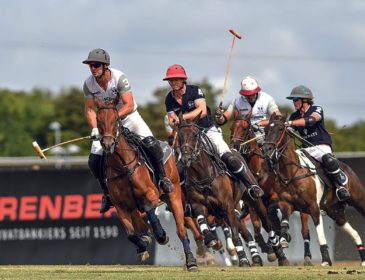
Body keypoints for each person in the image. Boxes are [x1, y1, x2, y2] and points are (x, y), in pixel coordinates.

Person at [82, 48, 173, 213]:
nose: (92, 68)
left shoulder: (119, 78)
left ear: (105, 66)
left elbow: (129, 104)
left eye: (95, 65)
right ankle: (107, 194)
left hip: (128, 117)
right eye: (90, 66)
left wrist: (115, 117)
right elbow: (89, 109)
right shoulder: (89, 84)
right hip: (107, 125)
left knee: (151, 144)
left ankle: (162, 179)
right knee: (94, 160)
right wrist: (96, 127)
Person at [163, 64, 263, 200]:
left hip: (207, 130)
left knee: (227, 155)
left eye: (177, 79)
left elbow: (202, 111)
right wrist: (174, 120)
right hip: (187, 136)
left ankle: (252, 185)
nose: (174, 82)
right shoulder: (169, 98)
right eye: (171, 80)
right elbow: (170, 119)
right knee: (179, 164)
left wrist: (182, 117)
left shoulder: (194, 91)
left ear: (183, 80)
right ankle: (180, 199)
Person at [285, 85, 350, 201]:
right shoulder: (294, 116)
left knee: (329, 160)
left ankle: (341, 187)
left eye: (295, 99)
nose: (293, 103)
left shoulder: (316, 109)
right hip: (305, 150)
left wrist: (289, 123)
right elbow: (288, 132)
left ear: (304, 100)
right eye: (292, 100)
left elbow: (312, 120)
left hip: (321, 147)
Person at [215, 76, 281, 146]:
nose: (250, 97)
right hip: (245, 136)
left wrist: (259, 124)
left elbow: (278, 118)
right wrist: (219, 116)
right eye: (247, 95)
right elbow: (223, 120)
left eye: (252, 94)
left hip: (265, 135)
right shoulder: (237, 101)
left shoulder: (267, 99)